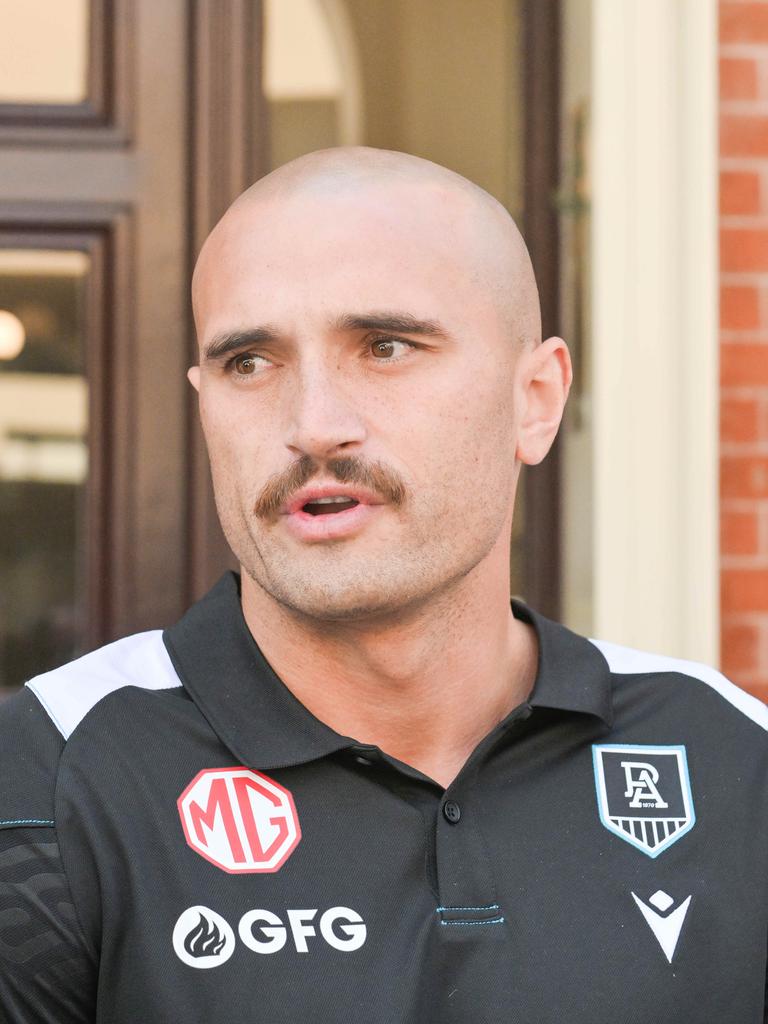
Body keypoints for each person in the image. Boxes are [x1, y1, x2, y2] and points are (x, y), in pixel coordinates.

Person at [0, 147, 765, 1024]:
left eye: (386, 347)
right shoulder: (44, 787)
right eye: (250, 361)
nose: (314, 425)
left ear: (537, 399)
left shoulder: (733, 763)